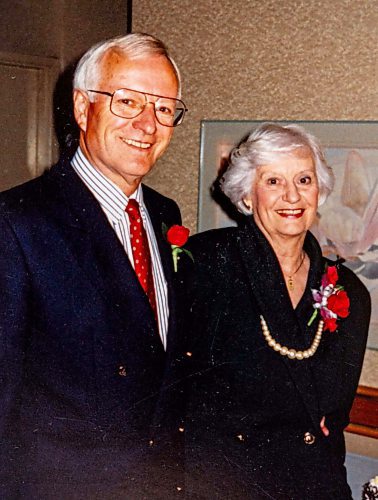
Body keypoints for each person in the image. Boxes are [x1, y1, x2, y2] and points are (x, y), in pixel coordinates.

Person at [0, 33, 188, 498]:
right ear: (83, 109)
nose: (148, 124)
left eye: (164, 108)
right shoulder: (17, 223)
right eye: (127, 102)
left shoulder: (166, 216)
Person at [183, 123, 371, 499]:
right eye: (272, 181)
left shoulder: (349, 292)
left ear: (319, 191)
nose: (292, 196)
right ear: (248, 196)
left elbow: (333, 419)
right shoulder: (204, 266)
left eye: (304, 179)